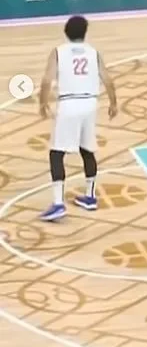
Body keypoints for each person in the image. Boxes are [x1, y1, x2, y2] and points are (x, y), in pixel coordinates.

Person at [38, 15, 118, 222]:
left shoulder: (58, 52)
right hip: (90, 103)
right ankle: (90, 197)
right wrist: (113, 103)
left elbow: (47, 80)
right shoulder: (93, 53)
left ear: (66, 31)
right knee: (87, 148)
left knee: (56, 153)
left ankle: (57, 204)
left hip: (69, 103)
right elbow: (108, 80)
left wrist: (42, 102)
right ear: (85, 32)